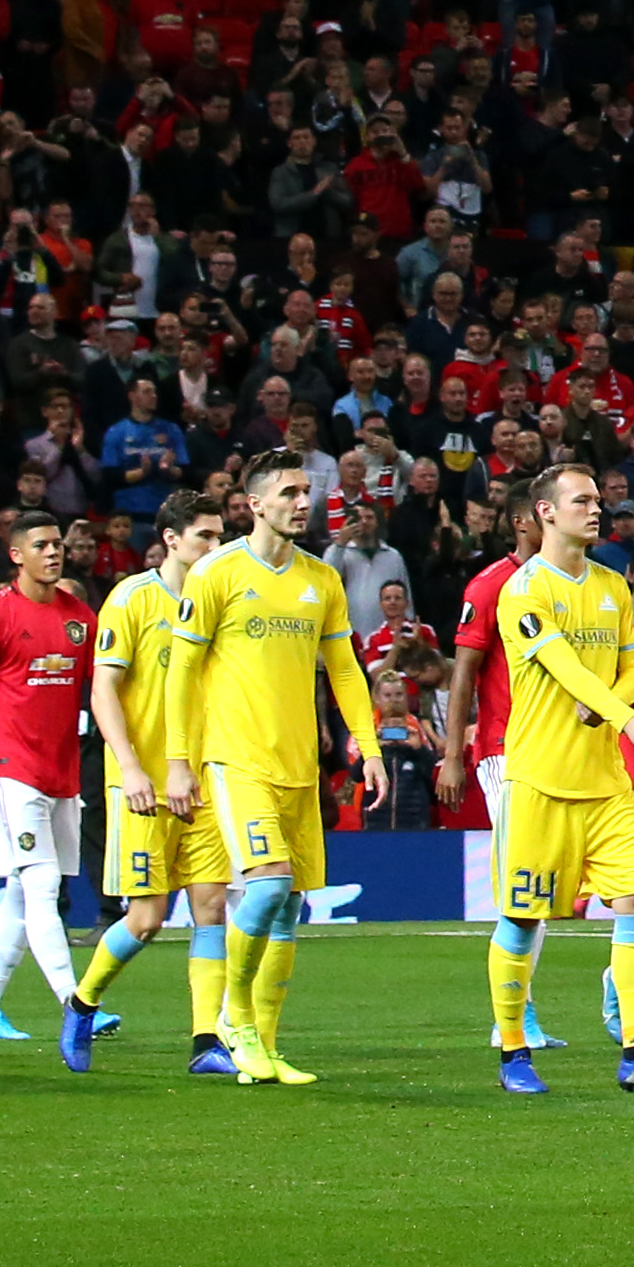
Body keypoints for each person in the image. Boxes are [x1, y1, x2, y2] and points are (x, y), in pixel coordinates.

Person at [171, 451, 386, 1087]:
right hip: (237, 760)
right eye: (289, 492)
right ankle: (233, 1020)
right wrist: (179, 763)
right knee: (266, 885)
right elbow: (182, 673)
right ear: (256, 504)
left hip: (299, 765)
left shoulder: (321, 579)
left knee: (289, 905)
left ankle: (262, 1046)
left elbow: (343, 668)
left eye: (306, 491)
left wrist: (368, 747)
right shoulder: (215, 573)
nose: (303, 501)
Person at [484, 466, 634, 1097]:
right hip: (540, 779)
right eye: (582, 500)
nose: (596, 509)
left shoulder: (611, 585)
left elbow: (631, 668)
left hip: (604, 782)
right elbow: (560, 663)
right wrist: (627, 720)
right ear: (545, 512)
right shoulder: (523, 590)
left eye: (597, 500)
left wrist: (611, 708)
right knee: (522, 918)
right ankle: (514, 1052)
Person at [62, 498, 235, 1073]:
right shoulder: (132, 599)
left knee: (211, 908)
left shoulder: (225, 601)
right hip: (143, 783)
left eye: (220, 537)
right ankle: (83, 1002)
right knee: (145, 919)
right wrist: (131, 767)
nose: (215, 548)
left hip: (205, 779)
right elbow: (103, 690)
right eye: (204, 537)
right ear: (171, 539)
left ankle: (205, 1041)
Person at [0, 512, 98, 1043]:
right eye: (41, 545)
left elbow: (99, 685)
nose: (54, 552)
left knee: (24, 890)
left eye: (58, 544)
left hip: (60, 771)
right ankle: (75, 1001)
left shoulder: (78, 617)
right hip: (10, 769)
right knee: (40, 885)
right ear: (17, 555)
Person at [438, 518, 563, 1056]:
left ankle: (523, 1005)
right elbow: (463, 671)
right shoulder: (493, 584)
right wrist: (452, 755)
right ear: (524, 521)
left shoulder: (568, 584)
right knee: (523, 886)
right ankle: (511, 1018)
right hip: (506, 751)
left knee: (545, 887)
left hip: (562, 752)